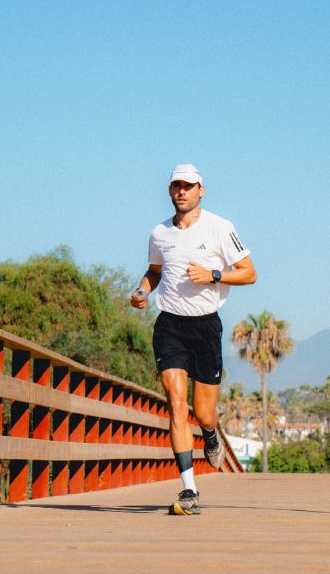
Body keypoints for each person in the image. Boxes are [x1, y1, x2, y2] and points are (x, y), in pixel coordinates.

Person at [130, 164, 256, 515]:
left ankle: (211, 433)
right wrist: (142, 290)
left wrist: (214, 274)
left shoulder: (221, 228)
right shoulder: (159, 233)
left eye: (188, 186)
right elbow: (154, 271)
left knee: (203, 412)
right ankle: (189, 489)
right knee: (174, 401)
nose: (181, 192)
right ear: (170, 191)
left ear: (201, 190)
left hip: (205, 326)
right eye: (175, 186)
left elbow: (249, 272)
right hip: (169, 324)